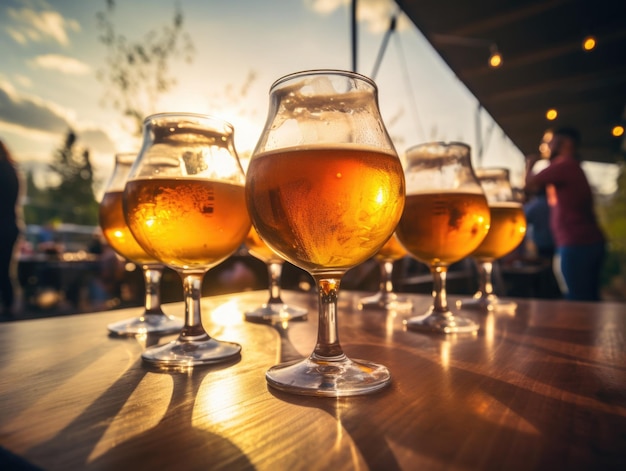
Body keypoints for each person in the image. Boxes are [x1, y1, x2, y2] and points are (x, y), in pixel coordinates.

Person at [525, 127, 606, 301]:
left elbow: (530, 184)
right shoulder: (571, 167)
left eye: (550, 141)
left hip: (577, 243)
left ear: (565, 142)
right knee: (587, 298)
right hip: (582, 242)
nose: (546, 146)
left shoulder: (564, 164)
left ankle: (583, 329)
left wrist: (530, 163)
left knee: (578, 300)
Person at [0, 140, 22, 318]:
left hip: (4, 227)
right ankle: (9, 305)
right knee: (5, 268)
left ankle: (8, 307)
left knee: (3, 268)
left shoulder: (3, 171)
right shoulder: (10, 169)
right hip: (11, 226)